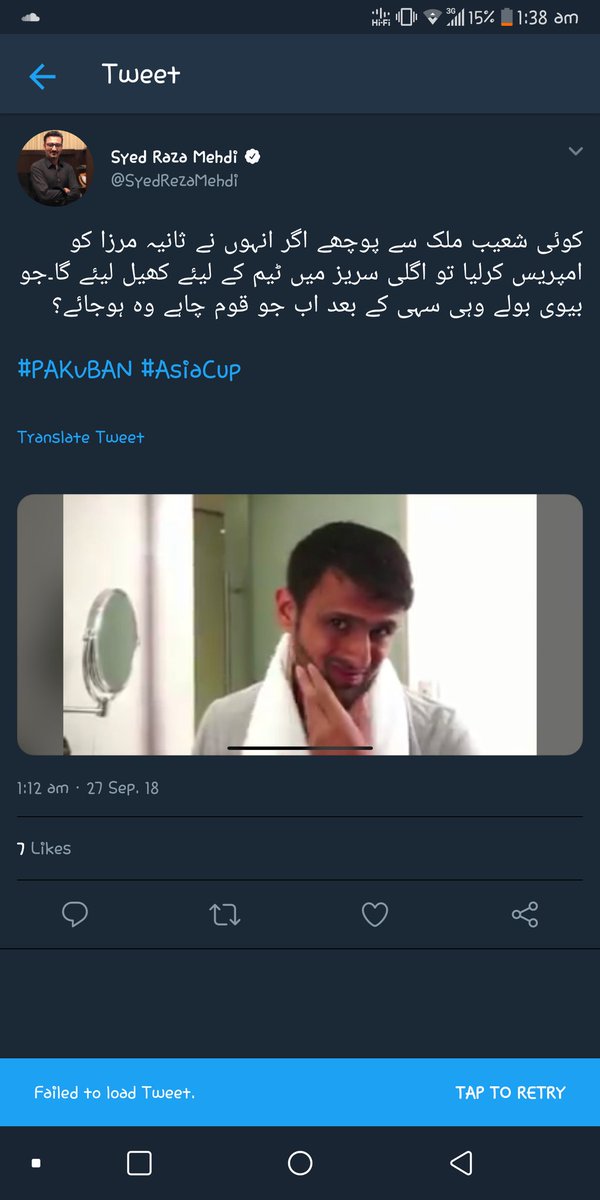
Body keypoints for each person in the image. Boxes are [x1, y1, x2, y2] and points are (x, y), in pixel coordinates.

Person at [193, 521, 477, 756]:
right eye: (339, 624)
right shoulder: (226, 726)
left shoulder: (439, 736)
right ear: (287, 610)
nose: (360, 656)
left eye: (381, 631)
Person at [30, 131, 81, 205]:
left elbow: (76, 192)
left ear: (61, 147)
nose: (54, 149)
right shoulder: (36, 167)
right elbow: (44, 195)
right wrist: (64, 191)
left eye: (57, 145)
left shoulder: (68, 167)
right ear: (44, 146)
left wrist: (55, 194)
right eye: (50, 145)